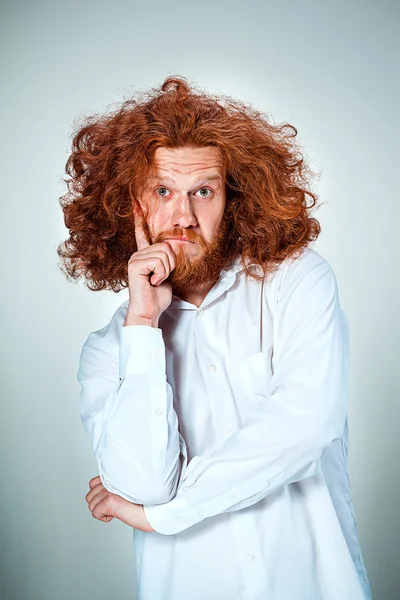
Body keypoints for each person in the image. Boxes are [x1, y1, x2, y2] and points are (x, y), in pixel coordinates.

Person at [57, 76, 372, 600]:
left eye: (203, 190)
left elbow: (304, 427)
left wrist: (166, 516)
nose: (183, 216)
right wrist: (143, 324)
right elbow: (143, 486)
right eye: (163, 192)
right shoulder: (109, 350)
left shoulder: (297, 282)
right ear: (130, 204)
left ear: (233, 198)